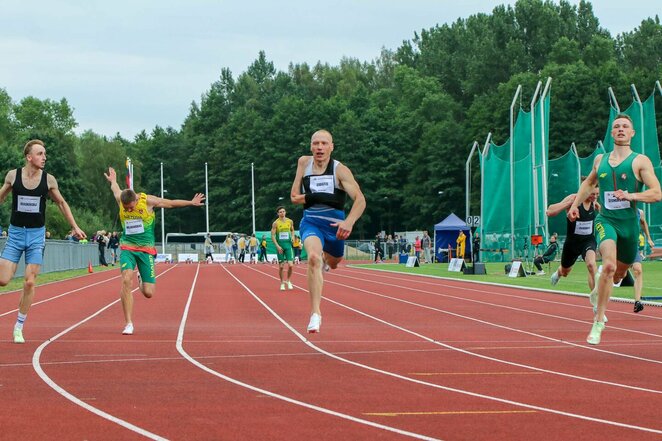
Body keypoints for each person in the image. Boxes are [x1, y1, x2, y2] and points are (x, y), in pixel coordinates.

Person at [568, 114, 661, 345]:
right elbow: (589, 183)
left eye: (625, 127)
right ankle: (598, 321)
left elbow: (657, 193)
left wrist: (631, 195)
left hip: (629, 225)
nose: (620, 129)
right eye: (616, 126)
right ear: (611, 133)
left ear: (632, 133)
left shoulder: (640, 161)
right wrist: (574, 205)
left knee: (619, 274)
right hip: (606, 220)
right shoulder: (600, 160)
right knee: (608, 265)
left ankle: (598, 290)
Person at [0, 139, 86, 343]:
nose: (44, 157)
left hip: (37, 236)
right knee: (3, 280)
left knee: (30, 281)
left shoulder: (49, 180)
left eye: (45, 154)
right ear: (29, 157)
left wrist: (75, 226)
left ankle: (19, 326)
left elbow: (62, 203)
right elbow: (1, 196)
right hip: (15, 234)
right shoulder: (13, 175)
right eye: (40, 154)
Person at [104, 166, 205, 335]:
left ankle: (141, 279)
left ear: (136, 200)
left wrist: (190, 202)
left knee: (149, 292)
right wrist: (113, 180)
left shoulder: (148, 201)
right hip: (127, 247)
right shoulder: (120, 199)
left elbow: (171, 203)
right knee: (125, 280)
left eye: (130, 207)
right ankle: (128, 323)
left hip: (146, 250)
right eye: (126, 208)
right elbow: (115, 188)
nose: (128, 210)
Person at [290, 129, 366, 333]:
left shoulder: (340, 171)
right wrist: (321, 197)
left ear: (332, 147)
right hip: (311, 223)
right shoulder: (303, 164)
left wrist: (349, 222)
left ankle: (327, 260)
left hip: (335, 227)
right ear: (310, 146)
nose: (319, 147)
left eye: (324, 143)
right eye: (316, 143)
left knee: (334, 263)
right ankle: (315, 313)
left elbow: (360, 200)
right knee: (313, 258)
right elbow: (294, 197)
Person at [546, 186, 600, 290]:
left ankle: (596, 300)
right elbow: (549, 211)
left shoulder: (594, 201)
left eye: (597, 194)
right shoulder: (573, 198)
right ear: (586, 190)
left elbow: (598, 207)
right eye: (593, 194)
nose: (595, 197)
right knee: (565, 271)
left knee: (591, 265)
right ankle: (559, 273)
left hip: (588, 240)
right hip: (572, 243)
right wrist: (569, 204)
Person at [633, 208, 655, 313]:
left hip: (632, 246)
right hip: (618, 246)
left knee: (638, 270)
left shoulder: (639, 212)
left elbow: (643, 222)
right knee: (618, 277)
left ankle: (637, 301)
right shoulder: (618, 211)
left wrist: (649, 238)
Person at [271, 206, 295, 290]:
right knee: (281, 266)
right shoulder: (275, 223)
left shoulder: (290, 221)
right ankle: (282, 283)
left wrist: (292, 237)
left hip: (288, 246)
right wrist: (277, 246)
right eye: (280, 212)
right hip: (280, 246)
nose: (282, 213)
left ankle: (288, 281)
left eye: (283, 211)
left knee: (291, 265)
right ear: (278, 213)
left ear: (285, 212)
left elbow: (292, 230)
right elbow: (273, 236)